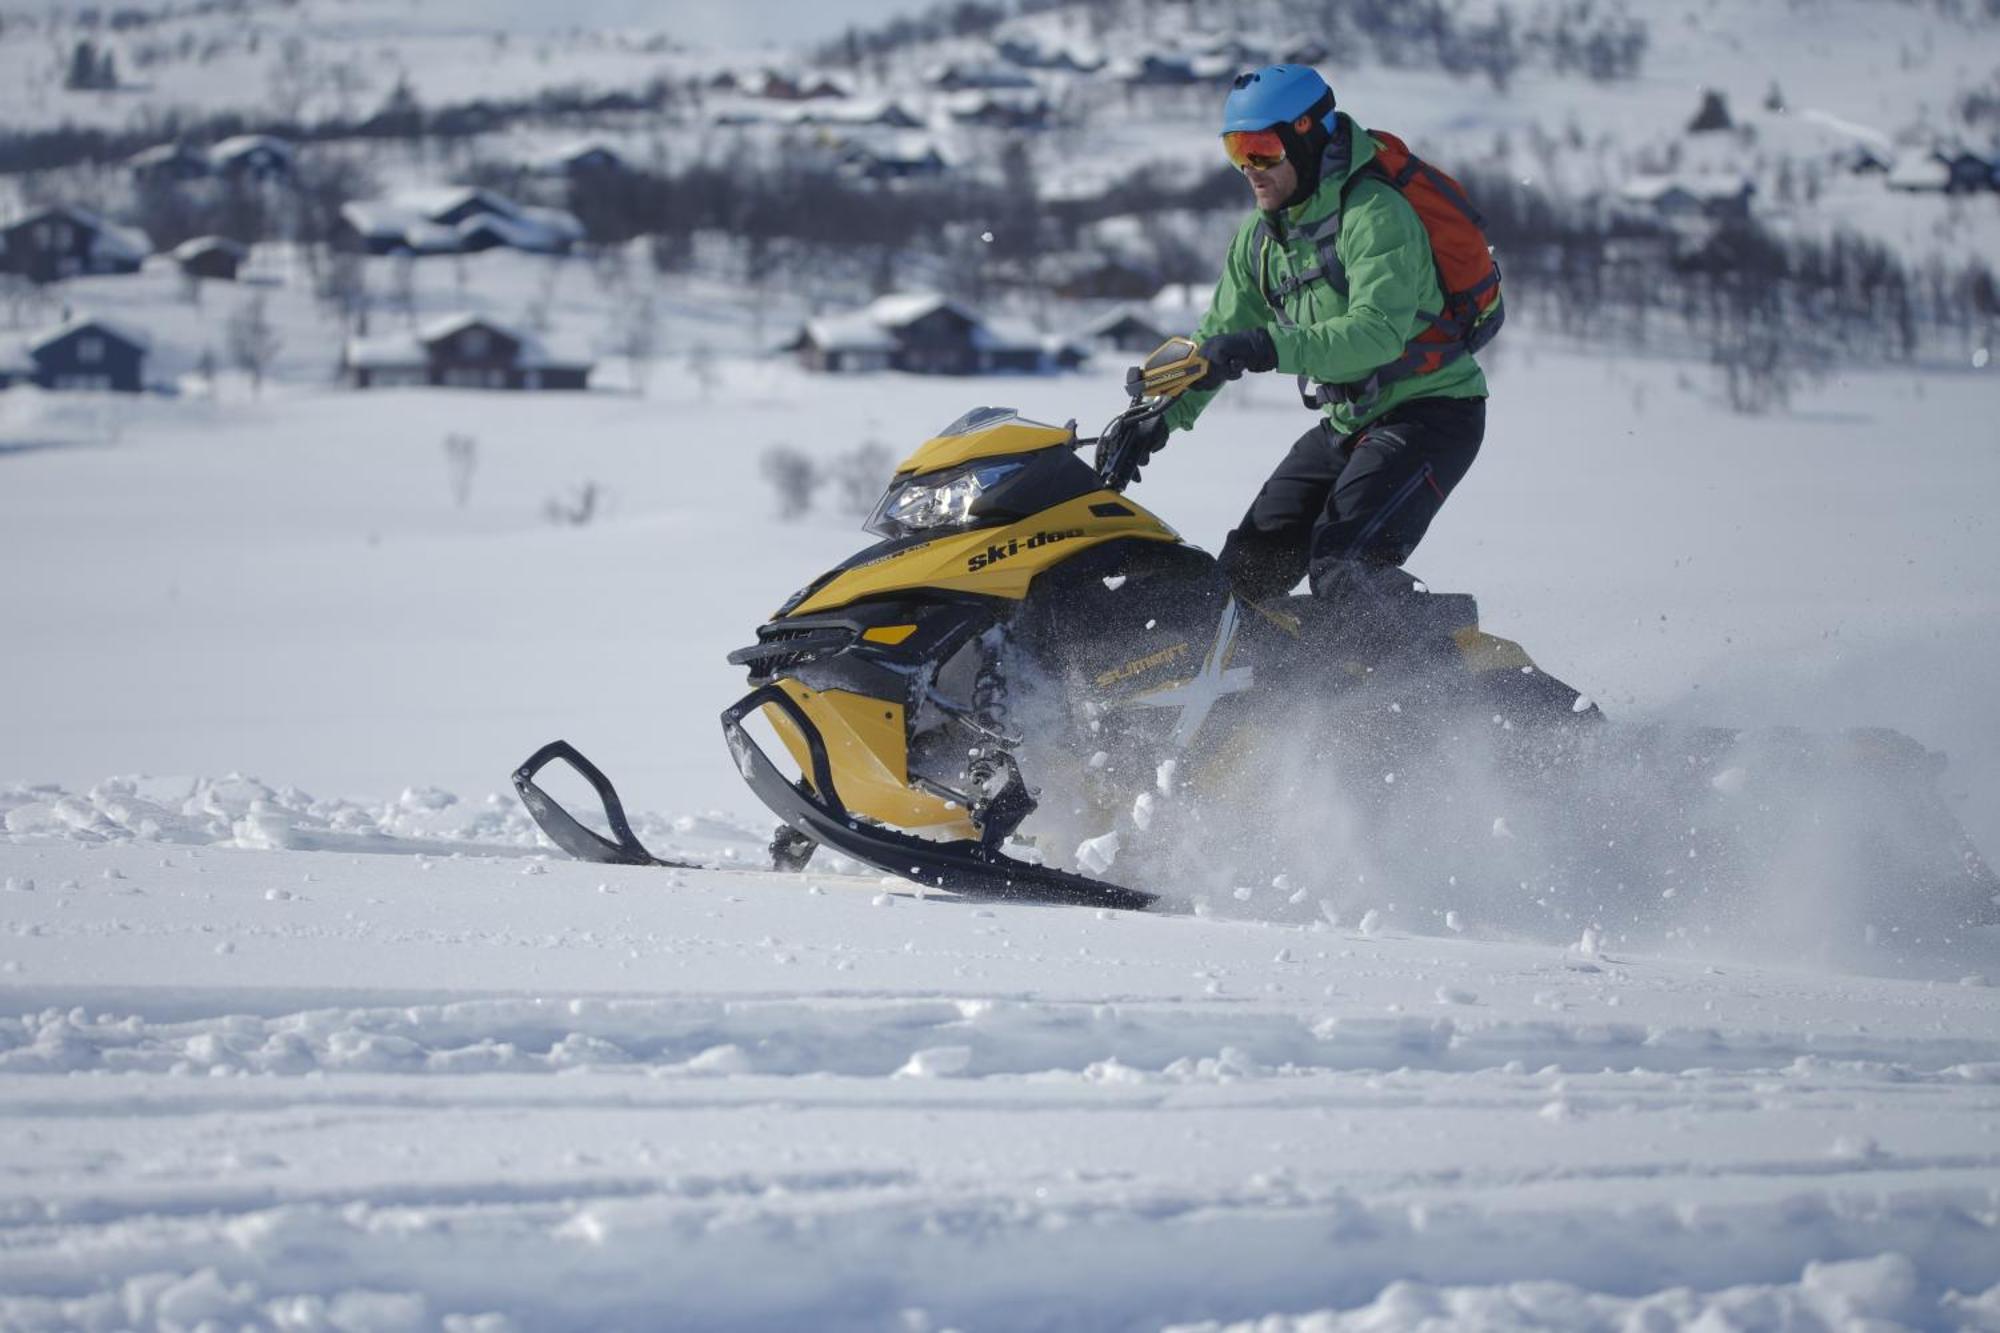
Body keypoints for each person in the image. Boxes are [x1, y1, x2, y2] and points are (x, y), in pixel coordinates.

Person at [1099, 65, 1493, 638]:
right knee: (1241, 580)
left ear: (1309, 137)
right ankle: (1286, 705)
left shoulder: (1375, 214)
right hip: (1347, 420)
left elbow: (1376, 335)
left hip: (1430, 412)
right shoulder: (1259, 241)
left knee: (1345, 568)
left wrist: (1267, 345)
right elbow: (1216, 341)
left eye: (1263, 149)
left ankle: (1453, 690)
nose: (1249, 168)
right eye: (1237, 149)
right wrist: (1158, 419)